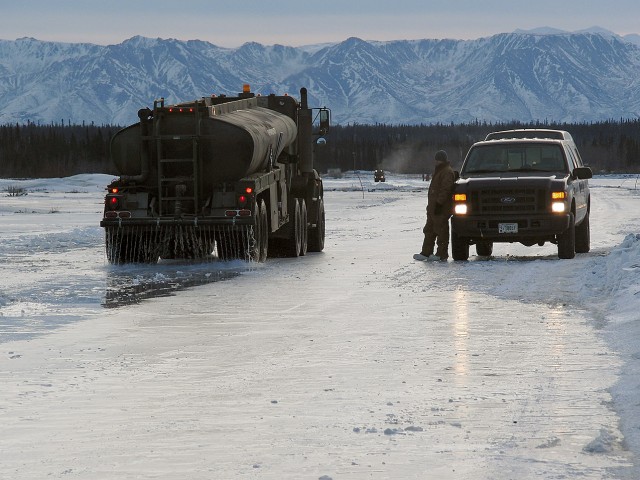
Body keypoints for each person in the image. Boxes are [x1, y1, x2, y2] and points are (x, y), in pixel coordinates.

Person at [414, 150, 456, 261]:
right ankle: (426, 252)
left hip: (441, 208)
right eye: (436, 159)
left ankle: (441, 254)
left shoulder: (446, 172)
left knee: (441, 231)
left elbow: (445, 189)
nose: (436, 162)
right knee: (429, 230)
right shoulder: (439, 171)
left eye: (438, 159)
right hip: (433, 208)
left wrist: (439, 203)